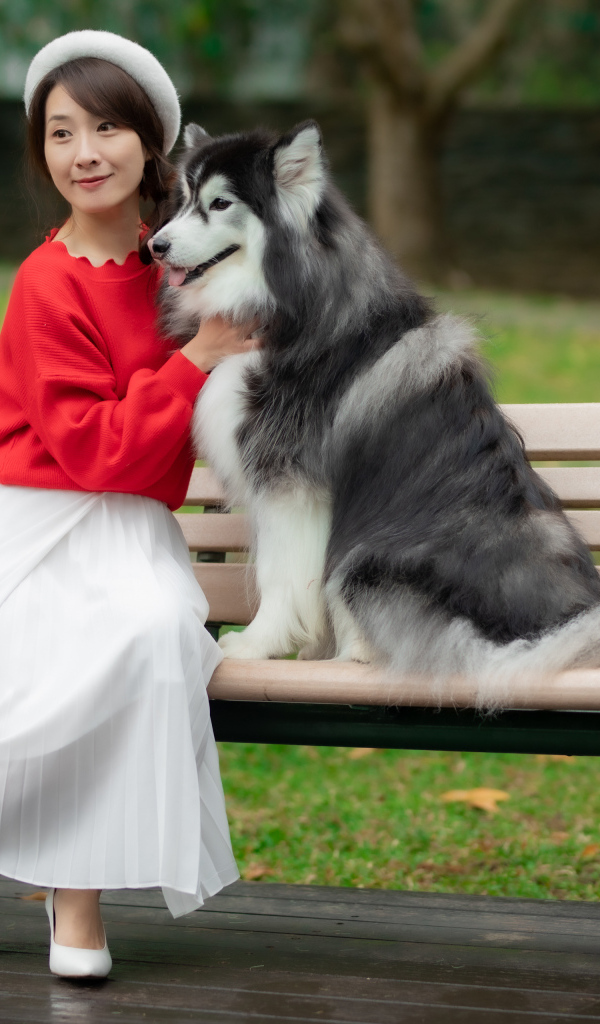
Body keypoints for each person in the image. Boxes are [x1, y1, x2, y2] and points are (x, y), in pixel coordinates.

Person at [0, 30, 253, 978]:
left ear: (151, 143)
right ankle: (72, 903)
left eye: (107, 127)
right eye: (61, 134)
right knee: (47, 657)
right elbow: (93, 447)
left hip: (134, 533)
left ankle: (77, 896)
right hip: (37, 522)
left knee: (148, 634)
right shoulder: (44, 283)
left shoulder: (187, 269)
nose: (84, 152)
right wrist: (192, 362)